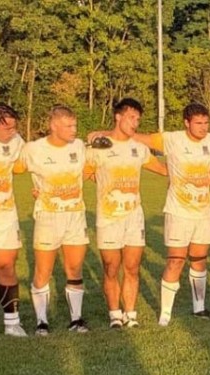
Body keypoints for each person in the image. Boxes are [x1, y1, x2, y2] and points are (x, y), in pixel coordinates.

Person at [116, 103, 210, 326]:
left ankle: (199, 308)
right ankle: (165, 313)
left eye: (206, 123)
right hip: (178, 212)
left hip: (204, 212)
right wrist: (105, 134)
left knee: (199, 260)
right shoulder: (172, 139)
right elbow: (136, 136)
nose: (203, 127)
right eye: (198, 123)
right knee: (175, 261)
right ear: (186, 123)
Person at [84, 98, 167, 328]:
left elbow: (162, 169)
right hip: (109, 217)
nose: (136, 123)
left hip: (134, 217)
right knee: (111, 268)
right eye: (132, 117)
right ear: (118, 117)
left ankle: (130, 315)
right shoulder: (99, 148)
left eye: (138, 119)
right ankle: (114, 315)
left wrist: (188, 169)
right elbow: (80, 174)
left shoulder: (138, 149)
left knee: (132, 267)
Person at [13, 106, 90, 335]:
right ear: (53, 125)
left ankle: (76, 320)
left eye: (75, 125)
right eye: (68, 126)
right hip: (48, 218)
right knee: (43, 271)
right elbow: (12, 169)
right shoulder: (33, 149)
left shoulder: (79, 146)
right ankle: (41, 322)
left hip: (75, 216)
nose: (74, 130)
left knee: (74, 269)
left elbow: (91, 167)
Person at [0, 103, 26, 337]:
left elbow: (33, 162)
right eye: (7, 128)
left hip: (3, 216)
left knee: (5, 266)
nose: (12, 132)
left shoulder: (15, 142)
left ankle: (12, 323)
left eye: (14, 128)